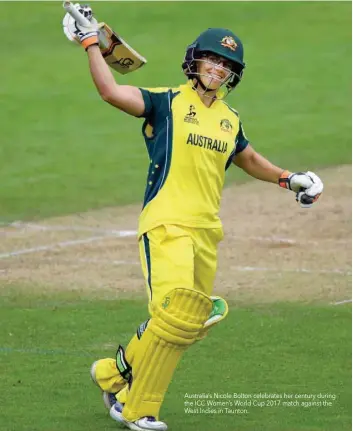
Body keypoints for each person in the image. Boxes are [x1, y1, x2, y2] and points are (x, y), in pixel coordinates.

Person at [66, 7, 323, 431]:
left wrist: (289, 179)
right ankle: (139, 409)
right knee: (174, 313)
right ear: (195, 61)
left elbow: (249, 159)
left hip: (207, 232)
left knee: (188, 326)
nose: (219, 69)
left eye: (227, 65)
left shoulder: (229, 119)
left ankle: (112, 376)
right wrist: (92, 43)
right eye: (212, 59)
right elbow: (112, 91)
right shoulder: (164, 103)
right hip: (166, 223)